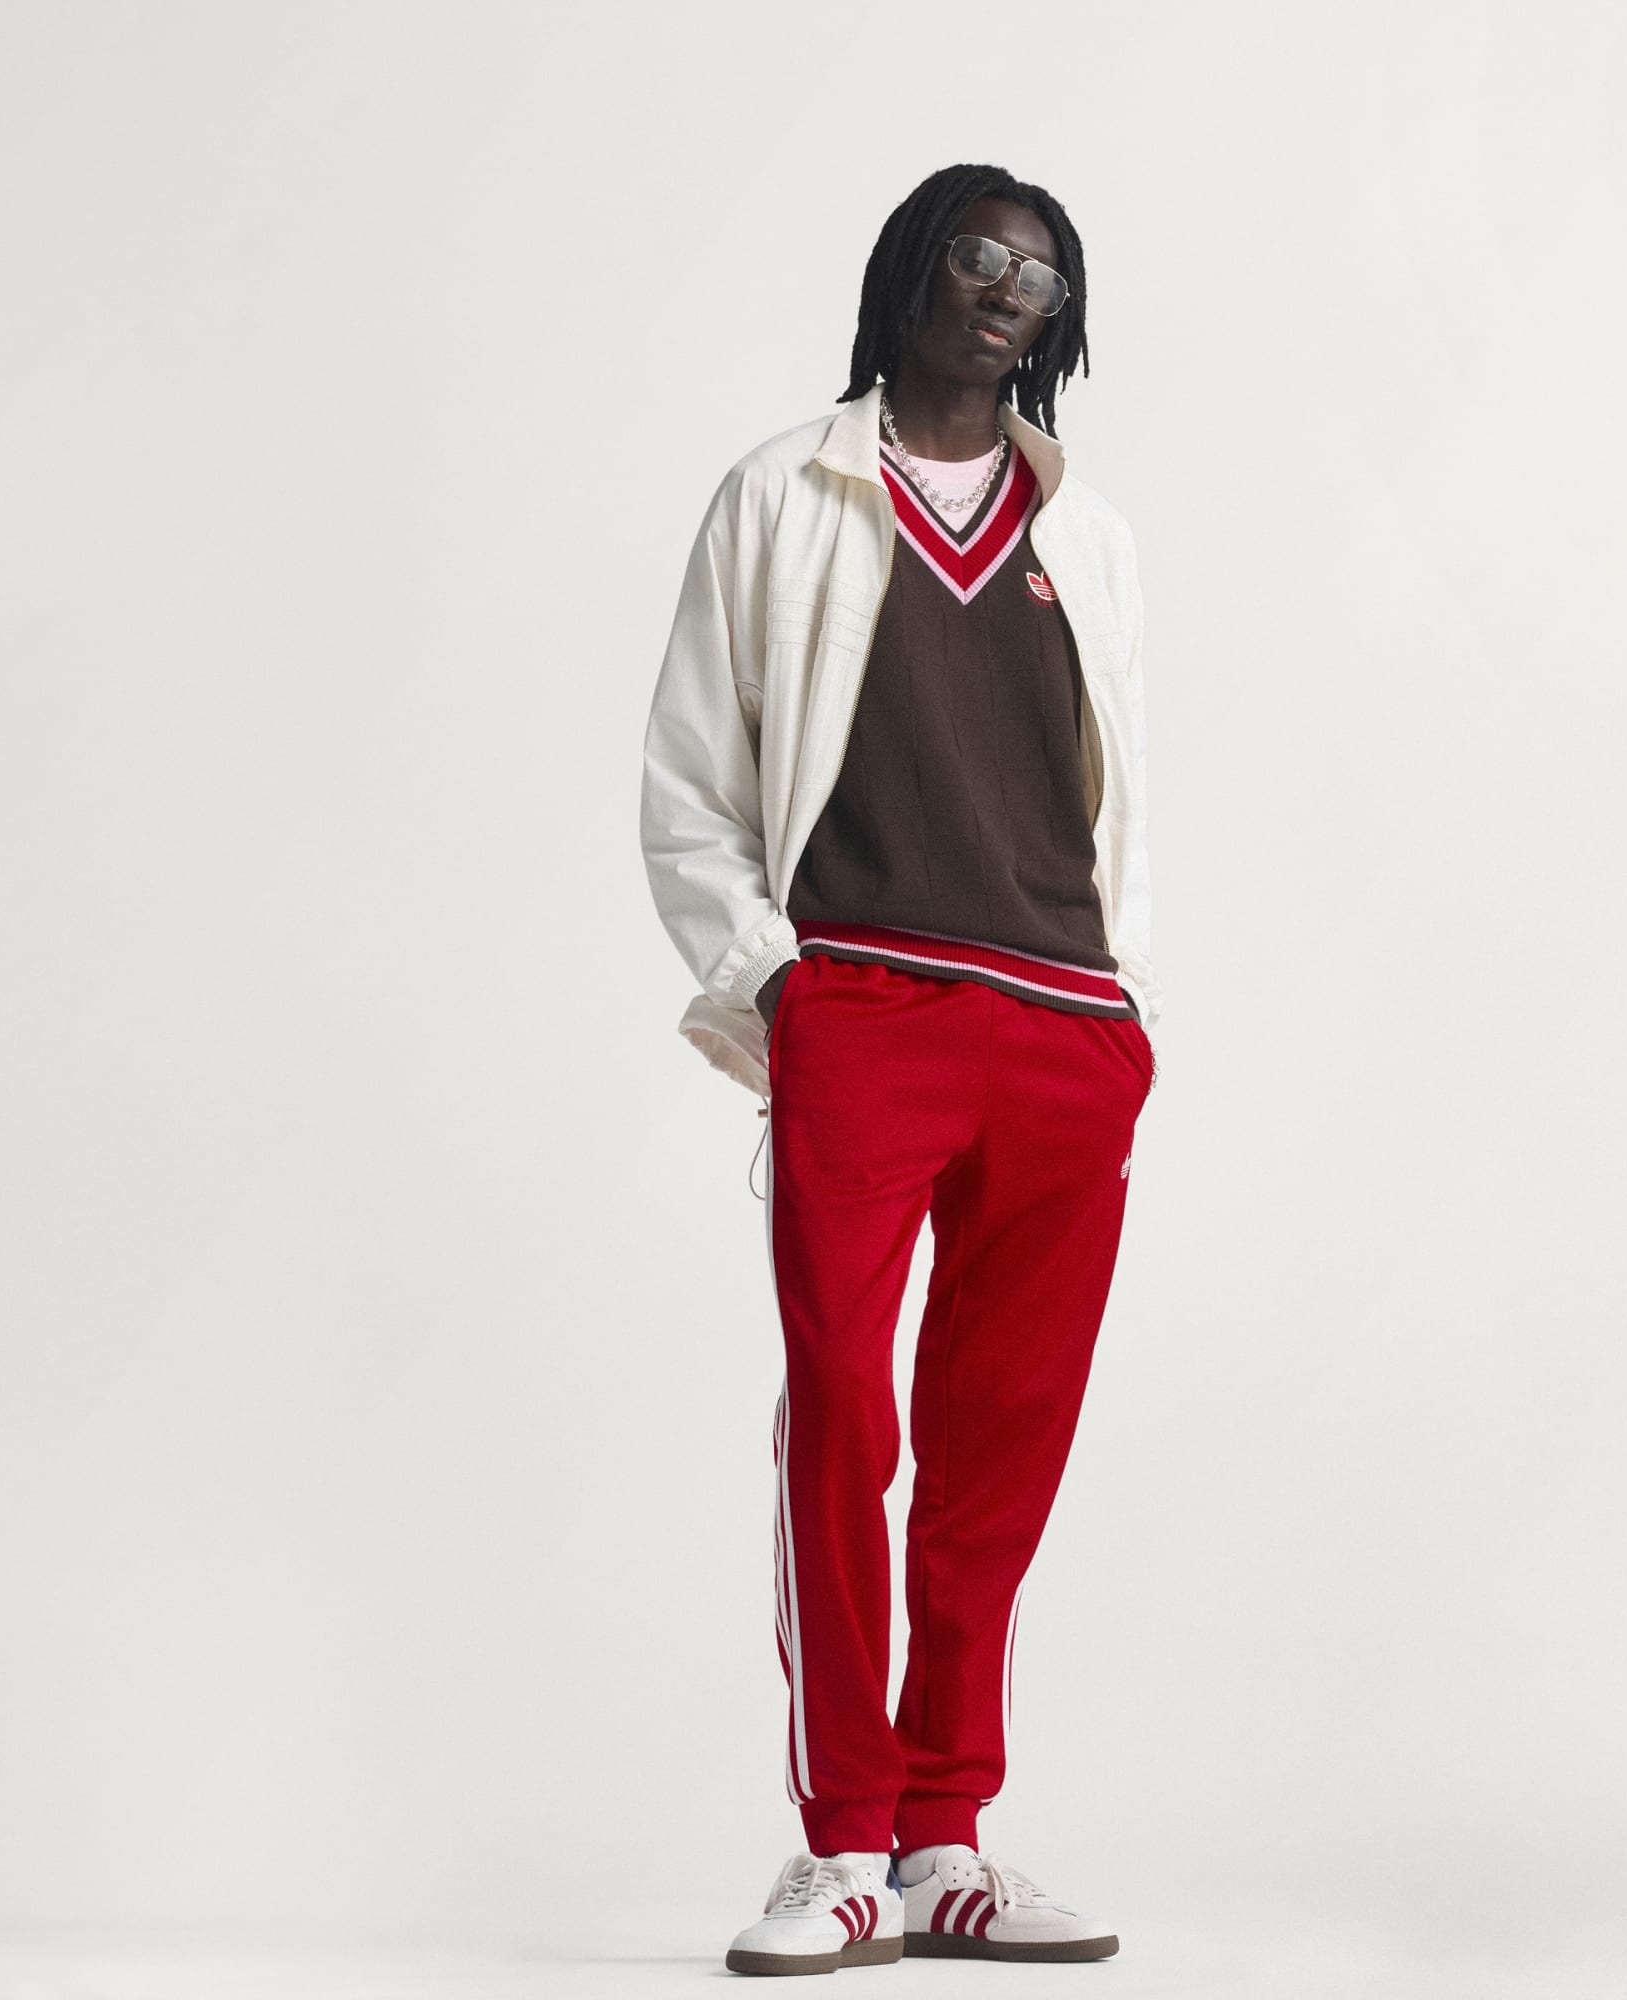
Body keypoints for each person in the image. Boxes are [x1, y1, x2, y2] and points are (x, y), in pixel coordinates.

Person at [639, 161, 1162, 1976]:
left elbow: (1117, 803)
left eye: (1042, 273)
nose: (1008, 289)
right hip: (863, 1010)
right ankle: (843, 1843)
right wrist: (777, 990)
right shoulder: (781, 493)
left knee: (997, 1451)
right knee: (846, 1417)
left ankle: (946, 1841)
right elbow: (691, 782)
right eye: (979, 254)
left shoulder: (1088, 534)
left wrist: (1120, 1017)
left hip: (1062, 1028)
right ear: (913, 272)